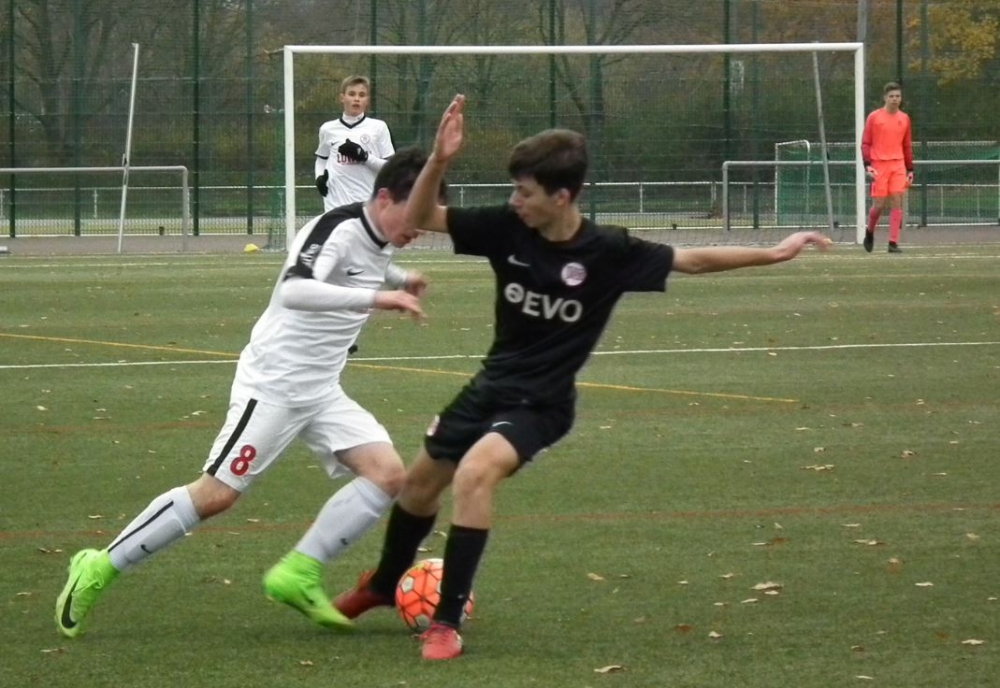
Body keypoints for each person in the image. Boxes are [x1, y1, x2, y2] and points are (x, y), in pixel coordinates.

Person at [332, 95, 832, 661]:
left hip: (542, 405)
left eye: (525, 192)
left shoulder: (607, 251)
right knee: (420, 485)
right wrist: (440, 160)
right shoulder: (506, 228)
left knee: (474, 474)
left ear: (561, 197)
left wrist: (774, 253)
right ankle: (384, 585)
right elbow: (423, 216)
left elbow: (692, 259)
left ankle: (445, 623)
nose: (514, 200)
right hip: (490, 385)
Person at [55, 148, 444, 639]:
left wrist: (401, 277)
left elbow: (365, 264)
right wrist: (379, 297)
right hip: (274, 384)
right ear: (385, 198)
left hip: (320, 388)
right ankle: (98, 565)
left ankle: (299, 572)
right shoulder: (337, 229)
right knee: (215, 494)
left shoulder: (378, 236)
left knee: (387, 475)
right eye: (416, 214)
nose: (420, 228)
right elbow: (295, 289)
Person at [315, 75, 396, 213]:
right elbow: (322, 159)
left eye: (362, 95)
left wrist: (364, 157)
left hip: (366, 203)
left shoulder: (379, 127)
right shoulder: (327, 129)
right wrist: (319, 177)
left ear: (367, 100)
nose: (356, 99)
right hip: (335, 203)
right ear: (342, 98)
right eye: (352, 94)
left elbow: (390, 168)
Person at [861, 81, 914, 254]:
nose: (895, 99)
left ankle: (893, 242)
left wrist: (910, 169)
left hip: (898, 164)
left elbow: (907, 145)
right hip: (879, 164)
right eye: (891, 96)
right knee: (879, 204)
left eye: (897, 96)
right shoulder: (874, 117)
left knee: (897, 200)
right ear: (885, 98)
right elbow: (866, 142)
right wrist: (867, 165)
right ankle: (869, 232)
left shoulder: (904, 119)